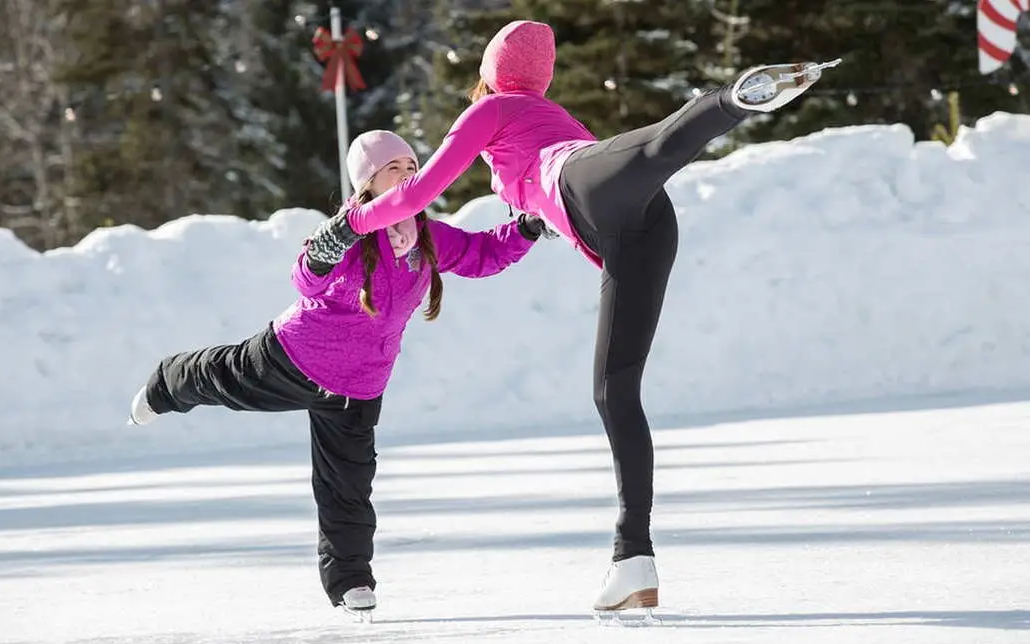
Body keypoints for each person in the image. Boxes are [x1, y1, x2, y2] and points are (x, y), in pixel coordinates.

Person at [302, 20, 839, 613]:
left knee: (652, 153)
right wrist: (530, 219)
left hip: (585, 182)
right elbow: (500, 230)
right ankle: (632, 559)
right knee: (613, 390)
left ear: (491, 72)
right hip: (642, 229)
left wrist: (351, 222)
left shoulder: (494, 109)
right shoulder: (554, 113)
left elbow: (419, 193)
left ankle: (731, 101)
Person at [126, 129, 545, 615]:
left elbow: (481, 254)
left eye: (413, 168)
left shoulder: (425, 235)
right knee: (218, 379)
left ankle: (350, 581)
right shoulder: (352, 229)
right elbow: (305, 277)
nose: (408, 177)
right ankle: (165, 383)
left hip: (361, 387)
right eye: (394, 169)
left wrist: (527, 229)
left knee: (348, 484)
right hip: (295, 359)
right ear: (367, 182)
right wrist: (329, 243)